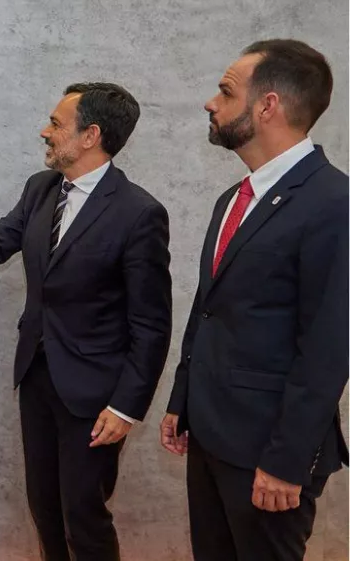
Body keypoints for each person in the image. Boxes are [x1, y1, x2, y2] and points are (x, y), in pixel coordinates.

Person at [0, 83, 172, 560]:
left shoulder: (139, 213)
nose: (44, 132)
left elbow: (151, 324)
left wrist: (127, 408)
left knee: (82, 516)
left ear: (90, 135)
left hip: (96, 396)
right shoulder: (40, 188)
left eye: (56, 124)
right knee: (44, 508)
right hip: (38, 379)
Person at [160, 39, 348, 561]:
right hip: (213, 433)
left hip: (270, 451)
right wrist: (182, 399)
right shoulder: (232, 199)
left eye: (225, 91)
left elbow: (329, 348)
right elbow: (209, 306)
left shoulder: (334, 202)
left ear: (268, 105)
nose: (209, 103)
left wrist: (288, 460)